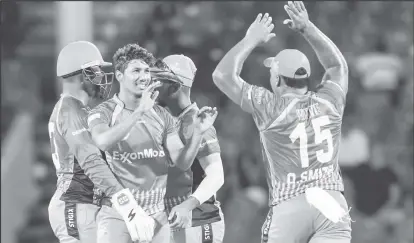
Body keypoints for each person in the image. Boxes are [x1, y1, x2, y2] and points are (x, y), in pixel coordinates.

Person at [212, 2, 352, 243]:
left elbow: (222, 75)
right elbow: (336, 65)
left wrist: (251, 39)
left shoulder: (270, 107)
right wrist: (307, 28)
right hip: (332, 203)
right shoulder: (330, 100)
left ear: (277, 78)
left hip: (291, 203)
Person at [87, 43, 218, 243]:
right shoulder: (102, 112)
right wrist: (139, 111)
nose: (144, 76)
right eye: (136, 70)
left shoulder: (162, 115)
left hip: (158, 217)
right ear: (119, 75)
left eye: (147, 71)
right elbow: (102, 142)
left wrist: (198, 134)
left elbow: (182, 163)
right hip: (119, 214)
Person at [49, 41, 157, 243]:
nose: (101, 77)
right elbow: (90, 160)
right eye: (96, 70)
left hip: (82, 204)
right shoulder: (71, 109)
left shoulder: (77, 109)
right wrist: (128, 206)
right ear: (80, 74)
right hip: (76, 204)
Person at [151, 56, 225, 243]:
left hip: (199, 220)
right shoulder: (162, 121)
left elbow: (216, 176)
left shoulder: (196, 122)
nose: (152, 86)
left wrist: (186, 206)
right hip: (172, 221)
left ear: (174, 87)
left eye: (159, 81)